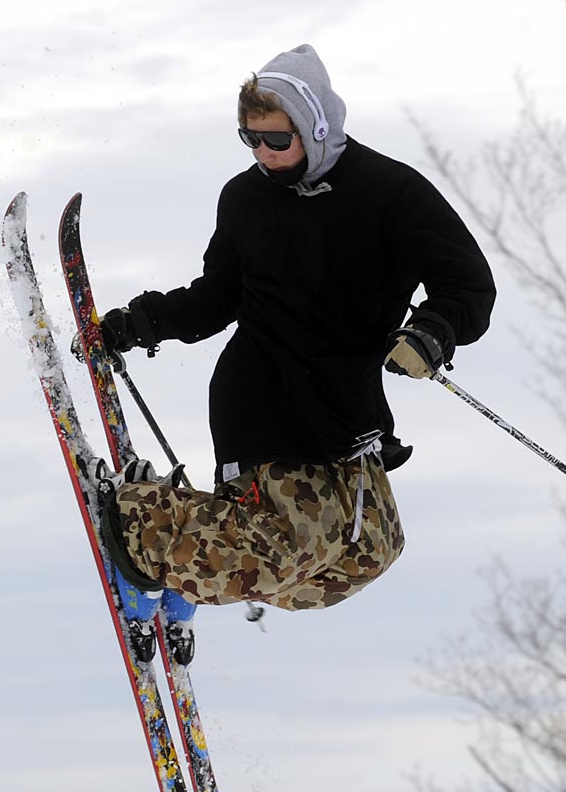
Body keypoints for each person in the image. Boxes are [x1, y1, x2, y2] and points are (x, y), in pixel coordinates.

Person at [97, 43, 496, 616]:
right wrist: (141, 322)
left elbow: (468, 284)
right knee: (287, 547)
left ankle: (186, 576)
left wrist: (431, 333)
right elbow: (218, 297)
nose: (263, 153)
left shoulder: (390, 193)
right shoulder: (244, 199)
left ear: (313, 128)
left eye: (276, 140)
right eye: (250, 139)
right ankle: (141, 528)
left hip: (345, 413)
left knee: (368, 551)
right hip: (266, 400)